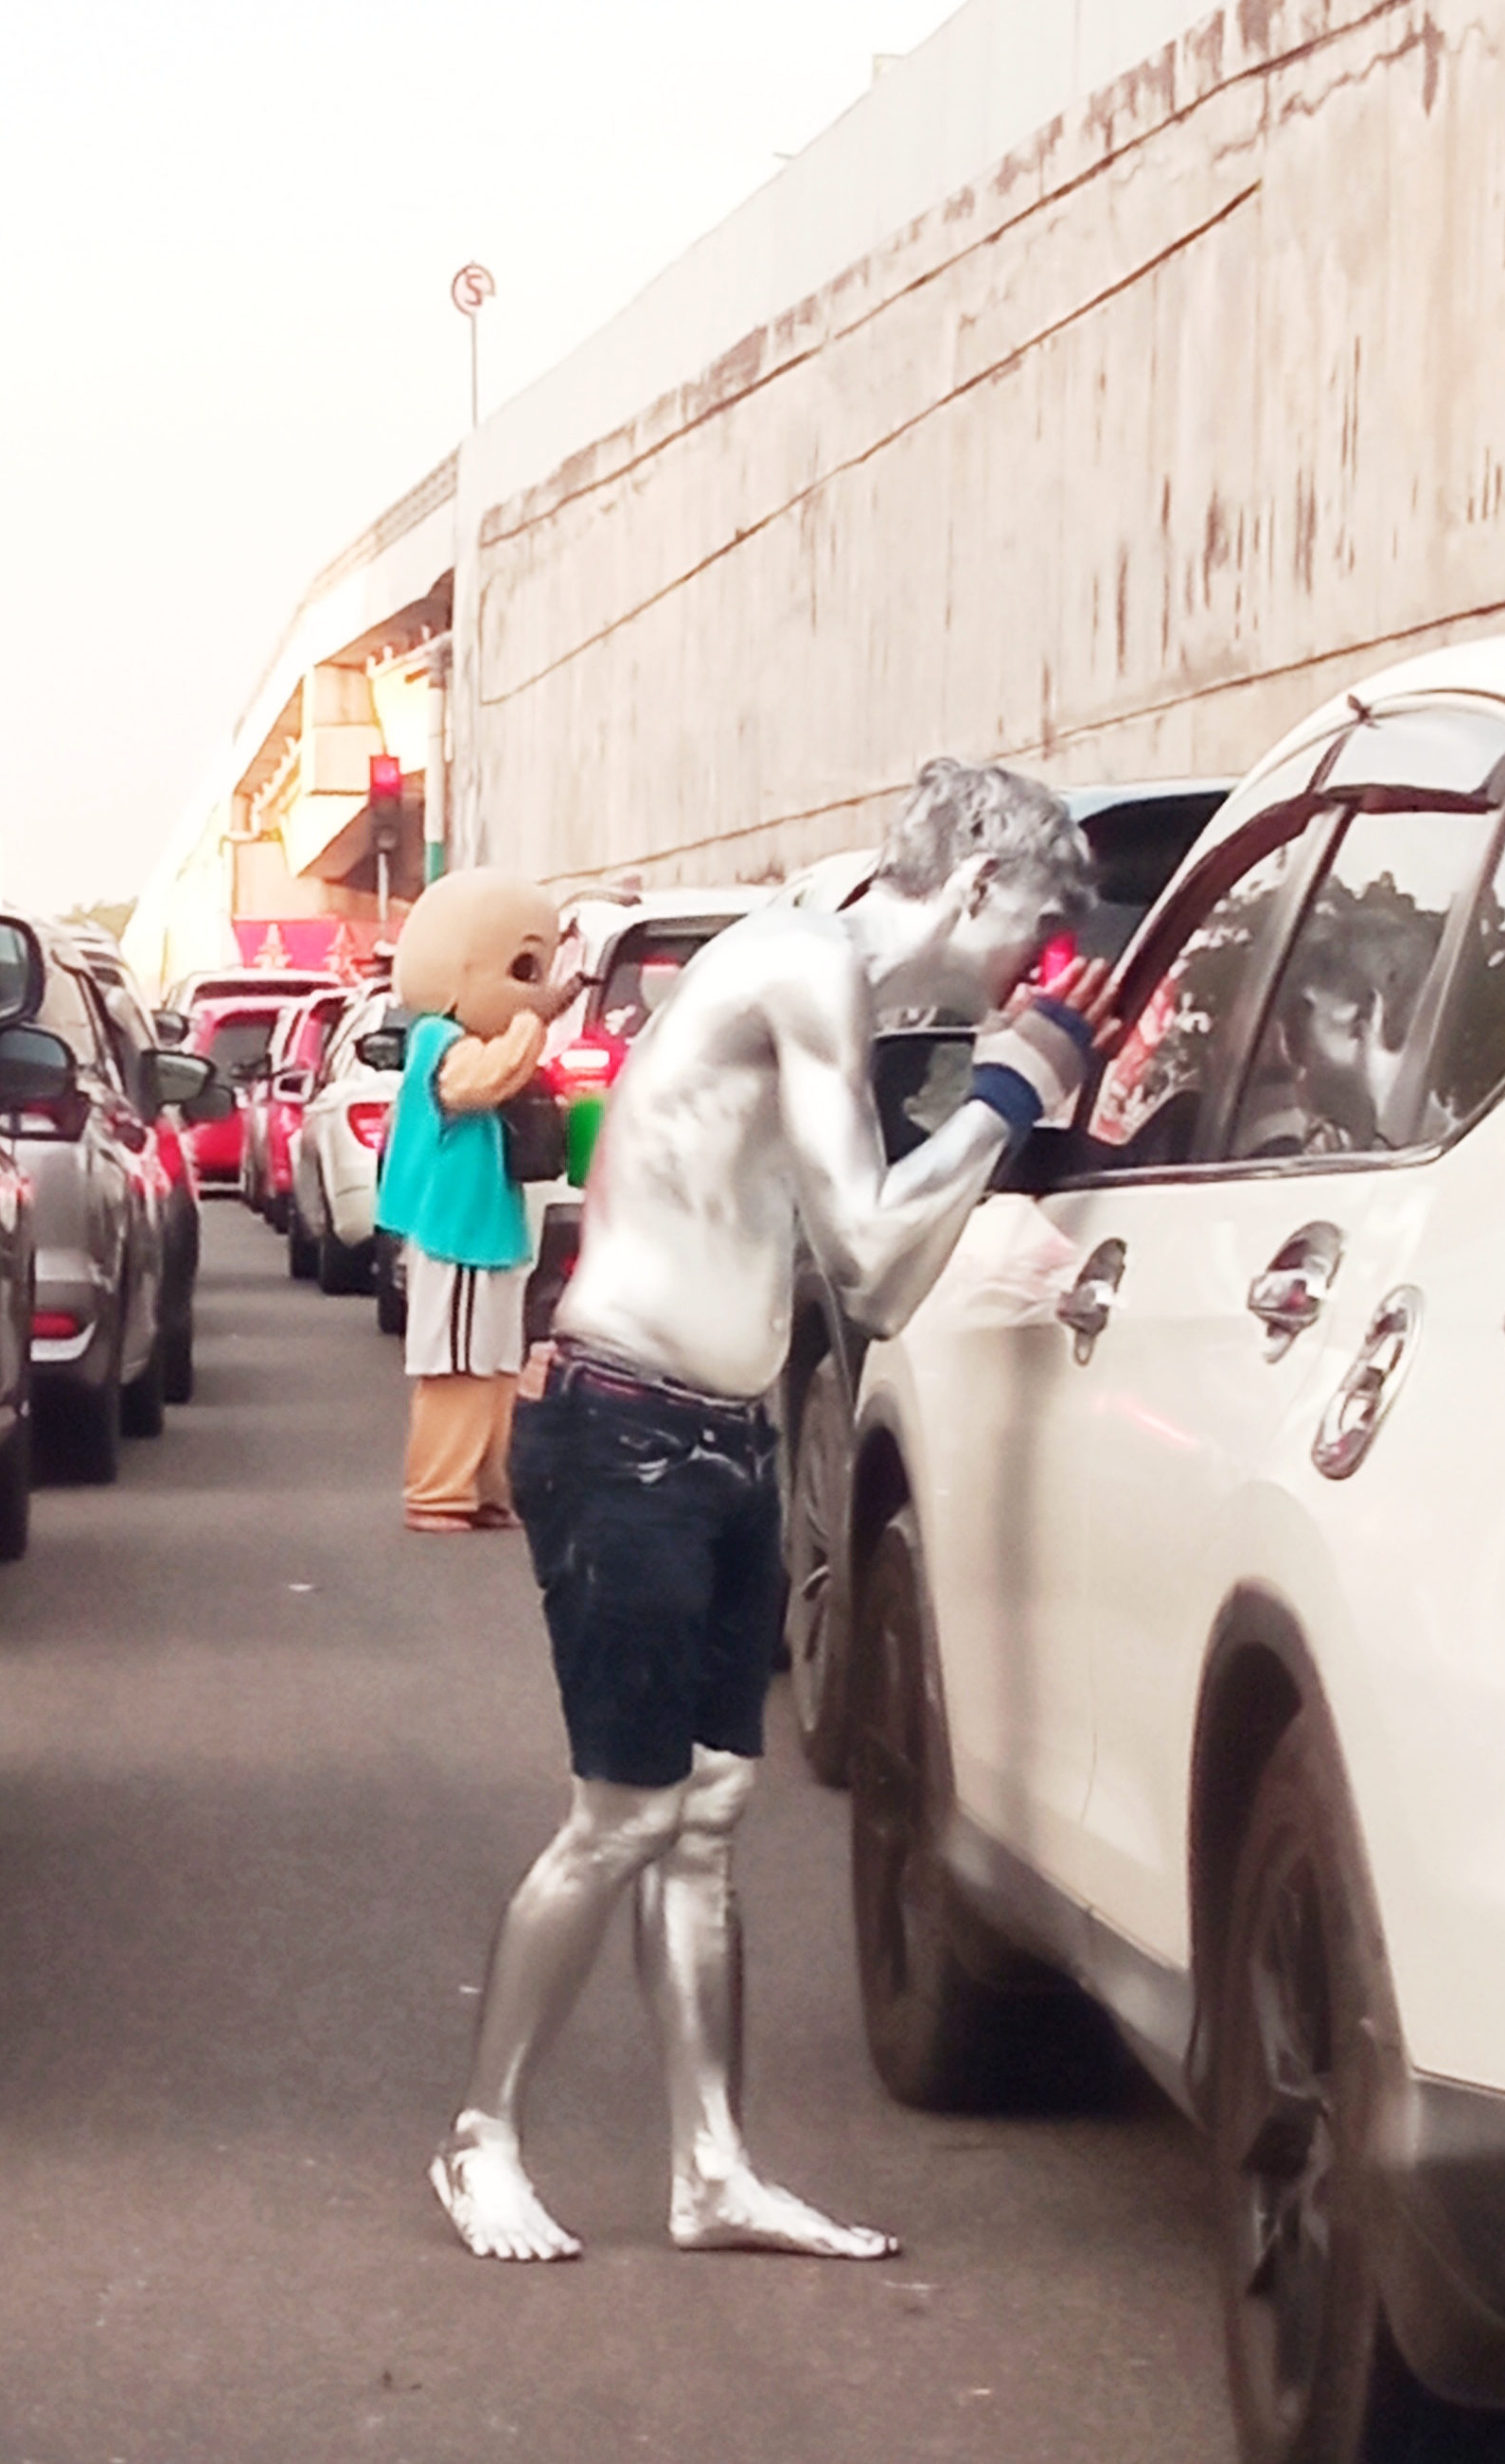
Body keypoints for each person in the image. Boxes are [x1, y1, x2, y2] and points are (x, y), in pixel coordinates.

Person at [431, 758, 1119, 2262]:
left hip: (722, 1435)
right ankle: (480, 2139)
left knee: (710, 1820)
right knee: (620, 1818)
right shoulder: (808, 967)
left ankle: (711, 2171)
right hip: (624, 1432)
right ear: (984, 883)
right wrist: (1018, 1088)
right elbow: (872, 1257)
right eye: (1033, 935)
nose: (1022, 972)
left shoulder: (824, 966)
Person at [372, 869, 575, 1533]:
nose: (529, 986)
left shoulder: (471, 1039)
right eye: (522, 968)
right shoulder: (440, 1041)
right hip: (452, 1230)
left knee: (493, 1367)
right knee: (457, 1367)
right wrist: (532, 1020)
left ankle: (485, 1488)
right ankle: (438, 1491)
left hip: (486, 1227)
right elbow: (478, 1085)